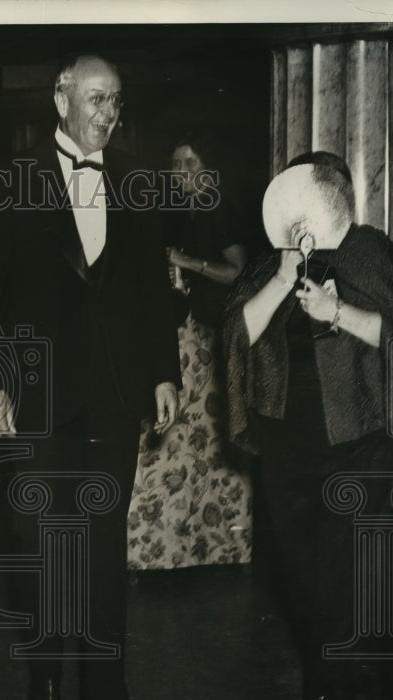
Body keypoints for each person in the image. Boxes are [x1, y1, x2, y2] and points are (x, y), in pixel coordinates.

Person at [0, 54, 181, 700]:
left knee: (103, 543)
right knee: (40, 543)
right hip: (37, 395)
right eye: (95, 99)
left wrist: (163, 371)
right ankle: (45, 678)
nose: (107, 114)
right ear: (61, 100)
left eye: (115, 100)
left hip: (115, 395)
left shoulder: (134, 180)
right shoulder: (13, 180)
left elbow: (151, 291)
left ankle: (106, 689)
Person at [223, 152, 393, 700]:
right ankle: (329, 681)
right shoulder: (272, 263)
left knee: (356, 571)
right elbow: (236, 335)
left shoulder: (370, 251)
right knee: (302, 571)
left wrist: (338, 310)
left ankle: (338, 691)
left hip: (363, 439)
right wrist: (285, 280)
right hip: (291, 438)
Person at [128, 133, 253, 569]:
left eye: (191, 164)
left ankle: (217, 543)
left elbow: (237, 272)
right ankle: (169, 543)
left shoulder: (223, 210)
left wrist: (186, 262)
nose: (181, 174)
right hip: (189, 331)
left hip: (218, 338)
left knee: (209, 443)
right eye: (176, 166)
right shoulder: (183, 214)